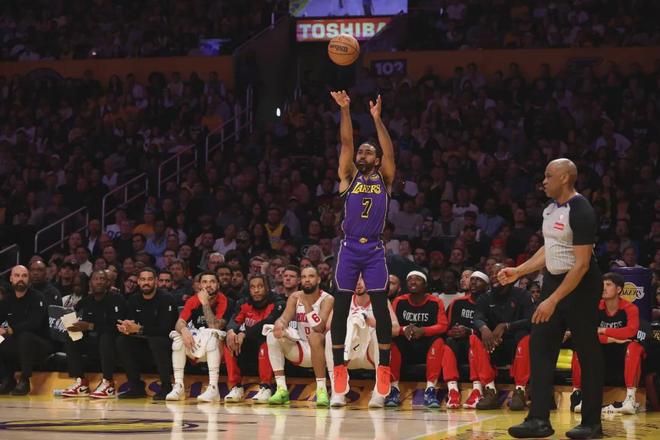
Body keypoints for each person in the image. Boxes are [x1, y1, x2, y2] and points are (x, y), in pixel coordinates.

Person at [502, 158, 604, 439]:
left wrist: (553, 300)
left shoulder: (581, 209)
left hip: (582, 285)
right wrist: (519, 270)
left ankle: (592, 424)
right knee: (540, 346)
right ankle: (538, 420)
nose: (543, 182)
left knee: (587, 352)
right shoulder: (549, 209)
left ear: (565, 178)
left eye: (548, 176)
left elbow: (582, 264)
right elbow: (550, 249)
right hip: (555, 281)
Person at [330, 90, 396, 401]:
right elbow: (346, 143)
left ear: (378, 160)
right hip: (349, 248)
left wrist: (377, 119)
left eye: (369, 152)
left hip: (374, 250)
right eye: (361, 152)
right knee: (341, 306)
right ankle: (339, 367)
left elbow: (389, 151)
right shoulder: (348, 177)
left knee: (380, 306)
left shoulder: (385, 178)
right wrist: (345, 110)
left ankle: (384, 367)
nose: (362, 155)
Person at [569, 272, 646, 415]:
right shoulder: (595, 307)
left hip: (621, 356)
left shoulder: (630, 308)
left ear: (619, 289)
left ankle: (630, 399)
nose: (603, 288)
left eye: (608, 285)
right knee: (582, 347)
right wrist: (612, 339)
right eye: (602, 285)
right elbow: (588, 333)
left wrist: (603, 330)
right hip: (601, 353)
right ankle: (579, 395)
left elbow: (630, 331)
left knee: (634, 347)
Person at [325, 276, 400, 408]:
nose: (357, 283)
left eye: (362, 279)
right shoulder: (344, 300)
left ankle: (379, 393)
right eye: (354, 279)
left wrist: (372, 322)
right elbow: (328, 325)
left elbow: (396, 329)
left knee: (379, 334)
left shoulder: (381, 301)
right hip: (348, 355)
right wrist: (351, 320)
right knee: (330, 335)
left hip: (369, 355)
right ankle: (338, 391)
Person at [266, 266, 334, 406]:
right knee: (272, 335)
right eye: (304, 277)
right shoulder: (294, 297)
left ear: (318, 279)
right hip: (301, 349)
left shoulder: (327, 299)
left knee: (315, 336)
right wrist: (279, 325)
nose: (307, 280)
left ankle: (321, 390)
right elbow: (284, 318)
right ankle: (281, 389)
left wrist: (307, 305)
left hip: (322, 352)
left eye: (311, 276)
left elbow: (319, 327)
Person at [470, 263, 533, 411]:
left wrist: (506, 326)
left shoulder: (522, 295)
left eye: (498, 272)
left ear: (508, 275)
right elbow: (477, 317)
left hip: (516, 343)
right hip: (493, 344)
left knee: (525, 336)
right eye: (491, 273)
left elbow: (531, 320)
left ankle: (520, 390)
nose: (494, 276)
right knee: (475, 337)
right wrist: (484, 329)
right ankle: (490, 390)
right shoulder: (485, 298)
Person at [166, 271, 231, 402]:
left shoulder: (224, 301)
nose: (208, 285)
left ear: (218, 285)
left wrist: (205, 303)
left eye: (212, 282)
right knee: (178, 337)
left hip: (220, 348)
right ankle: (179, 386)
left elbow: (215, 326)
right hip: (198, 345)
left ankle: (213, 388)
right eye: (204, 282)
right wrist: (184, 330)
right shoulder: (193, 300)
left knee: (213, 335)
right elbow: (179, 322)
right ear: (200, 285)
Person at [386, 271, 448, 408]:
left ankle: (430, 389)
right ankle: (394, 389)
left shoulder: (435, 302)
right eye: (410, 279)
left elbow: (443, 325)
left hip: (426, 345)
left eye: (418, 279)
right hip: (406, 344)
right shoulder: (399, 301)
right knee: (392, 342)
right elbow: (391, 325)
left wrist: (423, 330)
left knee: (438, 341)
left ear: (425, 284)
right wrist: (404, 329)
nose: (413, 282)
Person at [61, 270, 126, 398]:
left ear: (108, 282)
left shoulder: (117, 299)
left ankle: (108, 382)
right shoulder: (85, 301)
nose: (99, 282)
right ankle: (81, 382)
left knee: (106, 336)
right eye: (96, 279)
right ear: (90, 283)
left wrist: (90, 326)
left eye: (102, 279)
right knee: (72, 336)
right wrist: (72, 325)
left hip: (112, 344)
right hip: (92, 343)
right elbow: (76, 320)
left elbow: (116, 326)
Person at [116, 268, 178, 400]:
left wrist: (140, 329)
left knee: (156, 340)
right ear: (138, 282)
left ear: (156, 281)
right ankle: (136, 386)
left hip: (166, 343)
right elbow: (132, 323)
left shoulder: (166, 299)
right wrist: (126, 327)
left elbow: (166, 329)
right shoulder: (134, 299)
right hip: (143, 342)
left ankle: (166, 386)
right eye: (143, 279)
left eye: (149, 279)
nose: (146, 282)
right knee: (122, 341)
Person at [224, 275, 285, 403]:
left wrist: (244, 334)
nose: (256, 290)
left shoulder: (278, 303)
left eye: (260, 286)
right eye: (253, 287)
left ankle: (266, 386)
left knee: (267, 340)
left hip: (271, 349)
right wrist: (230, 331)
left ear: (267, 288)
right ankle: (235, 386)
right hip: (249, 348)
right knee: (229, 342)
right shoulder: (244, 303)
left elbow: (267, 323)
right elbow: (234, 320)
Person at [0, 265, 53, 395]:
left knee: (25, 336)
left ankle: (24, 380)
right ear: (11, 278)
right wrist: (3, 329)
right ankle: (7, 379)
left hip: (40, 344)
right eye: (17, 275)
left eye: (24, 276)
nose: (20, 279)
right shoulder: (7, 299)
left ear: (28, 279)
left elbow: (34, 323)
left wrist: (11, 330)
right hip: (16, 342)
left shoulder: (38, 297)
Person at [443, 271, 490, 409]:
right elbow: (446, 328)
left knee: (475, 340)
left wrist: (470, 331)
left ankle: (477, 390)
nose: (473, 282)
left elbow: (491, 330)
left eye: (478, 280)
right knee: (449, 342)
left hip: (480, 345)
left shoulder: (489, 304)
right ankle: (452, 390)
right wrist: (453, 331)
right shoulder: (457, 303)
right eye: (472, 279)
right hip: (459, 344)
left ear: (487, 286)